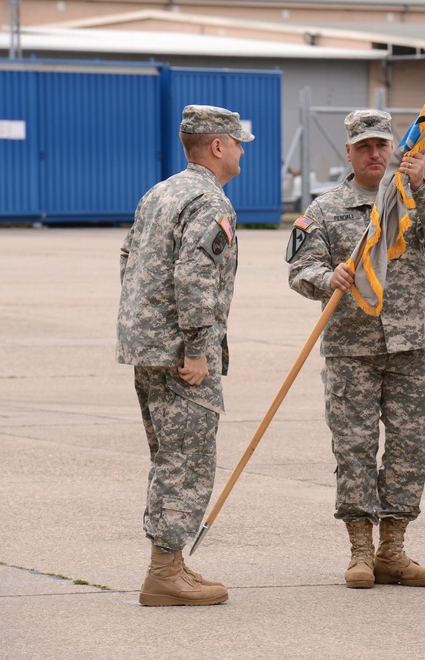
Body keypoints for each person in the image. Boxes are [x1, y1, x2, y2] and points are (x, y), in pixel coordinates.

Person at [286, 109, 425, 589]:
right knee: (354, 448)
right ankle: (359, 550)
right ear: (350, 152)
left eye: (383, 146)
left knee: (408, 448)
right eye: (365, 147)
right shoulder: (325, 209)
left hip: (410, 346)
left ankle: (392, 550)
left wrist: (420, 190)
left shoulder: (413, 201)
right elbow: (299, 270)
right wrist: (324, 276)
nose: (376, 154)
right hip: (350, 348)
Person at [117, 104, 253, 606]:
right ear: (217, 146)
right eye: (238, 142)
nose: (242, 150)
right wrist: (198, 348)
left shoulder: (160, 192)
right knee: (187, 461)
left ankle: (171, 563)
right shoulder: (208, 201)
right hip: (181, 355)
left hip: (147, 346)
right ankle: (164, 574)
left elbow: (128, 259)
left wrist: (144, 328)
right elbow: (196, 277)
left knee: (168, 458)